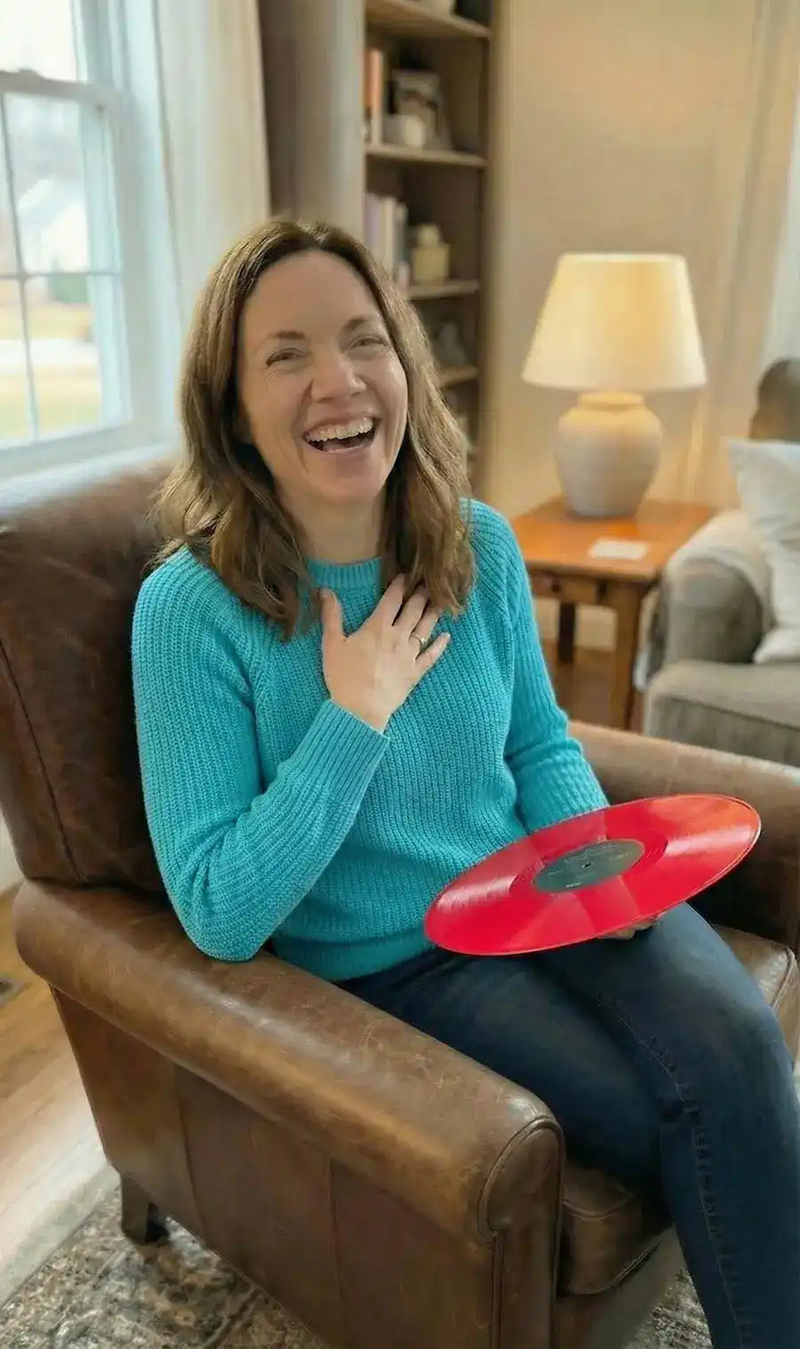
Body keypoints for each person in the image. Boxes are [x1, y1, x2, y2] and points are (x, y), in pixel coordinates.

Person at [133, 218, 800, 1349]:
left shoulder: (474, 541)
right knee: (677, 1112)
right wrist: (352, 715)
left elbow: (538, 746)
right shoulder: (192, 611)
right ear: (231, 407)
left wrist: (604, 884)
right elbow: (217, 909)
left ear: (403, 364)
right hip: (400, 963)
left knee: (738, 1043)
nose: (337, 380)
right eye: (284, 354)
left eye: (362, 340)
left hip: (543, 885)